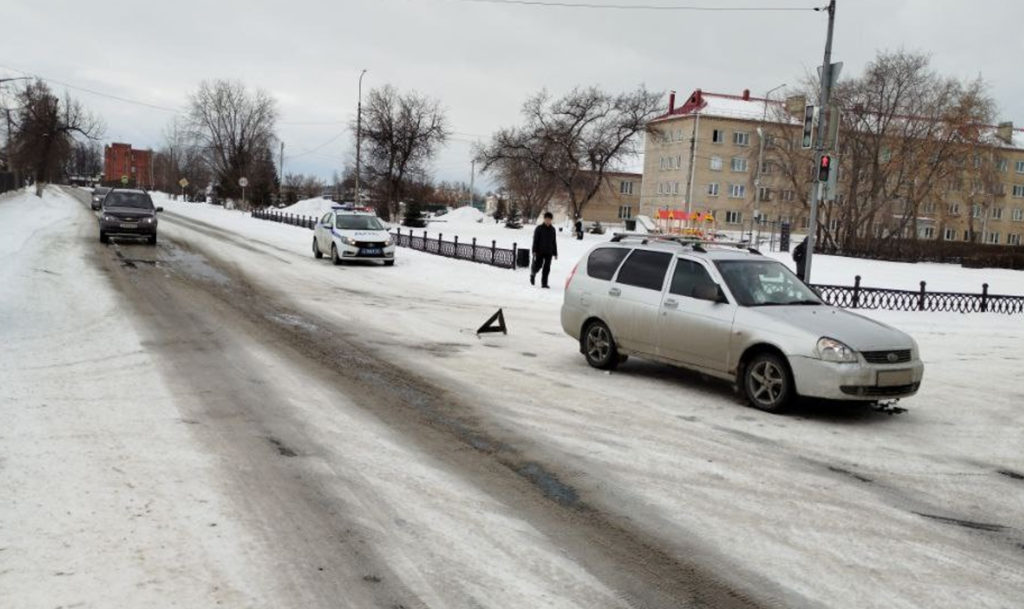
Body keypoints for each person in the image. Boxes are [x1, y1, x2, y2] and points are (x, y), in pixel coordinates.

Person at [531, 212, 558, 288]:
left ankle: (544, 283)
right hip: (540, 251)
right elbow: (535, 240)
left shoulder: (553, 229)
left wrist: (555, 253)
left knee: (547, 268)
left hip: (549, 252)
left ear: (551, 220)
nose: (548, 221)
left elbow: (554, 241)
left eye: (549, 219)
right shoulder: (539, 228)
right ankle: (533, 273)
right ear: (544, 219)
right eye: (547, 219)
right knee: (538, 265)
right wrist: (534, 250)